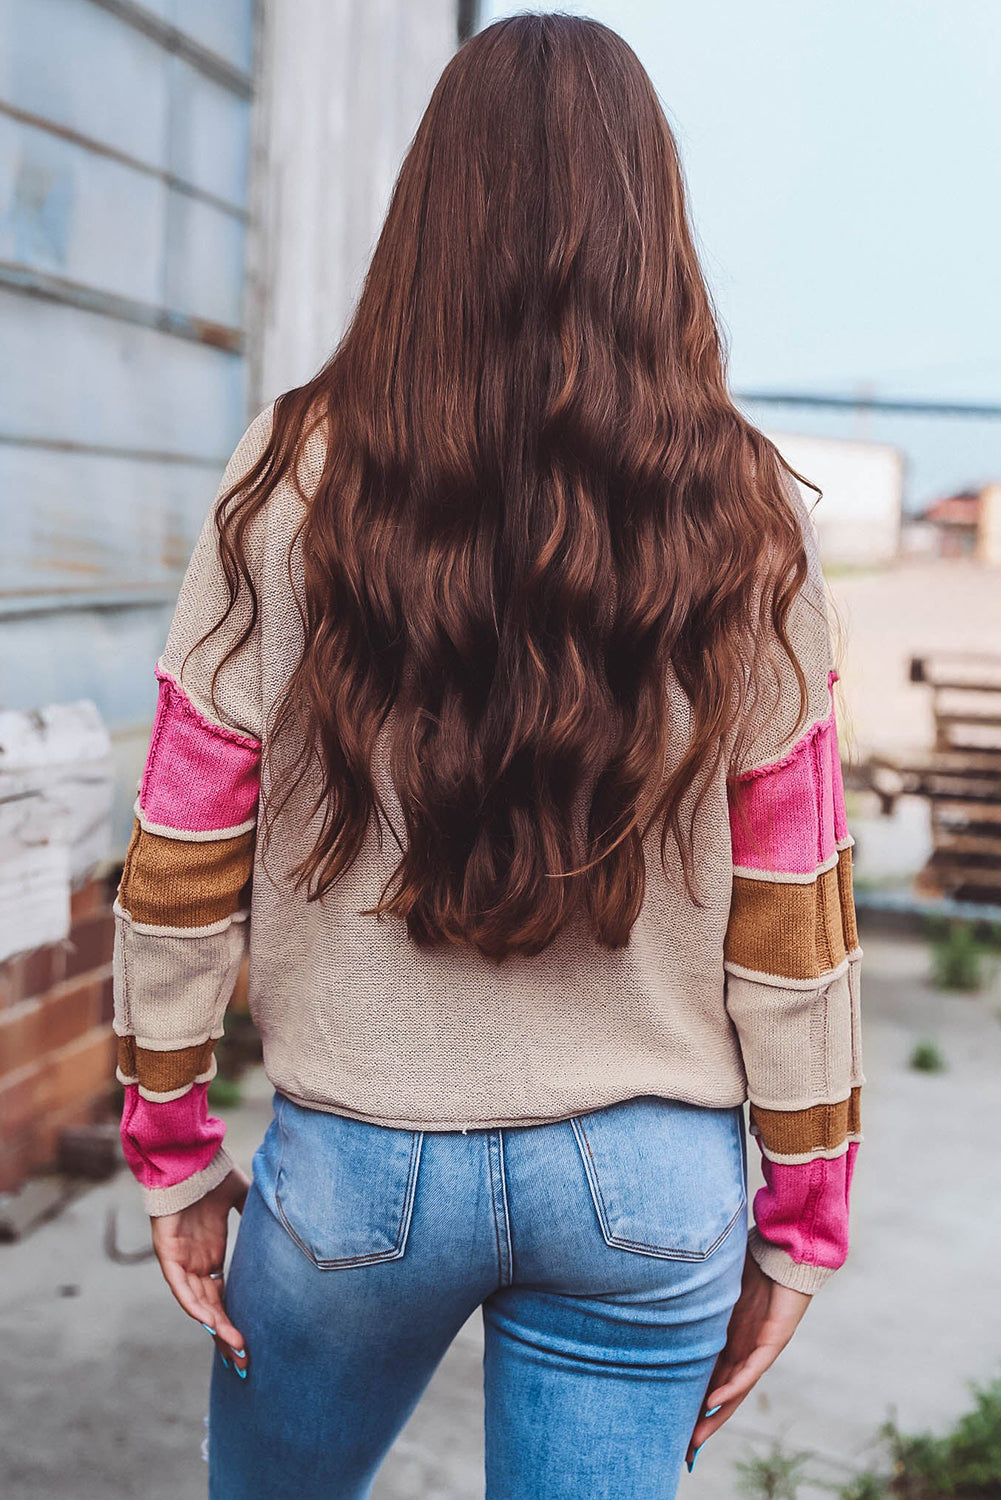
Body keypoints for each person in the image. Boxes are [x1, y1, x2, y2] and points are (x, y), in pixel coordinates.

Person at [112, 13, 862, 1499]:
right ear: (653, 220)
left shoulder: (286, 476)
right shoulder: (751, 514)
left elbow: (183, 845)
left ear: (427, 215)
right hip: (649, 1183)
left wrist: (175, 1148)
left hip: (355, 1166)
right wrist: (801, 1220)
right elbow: (796, 910)